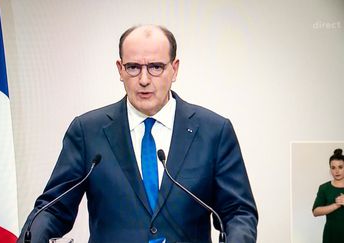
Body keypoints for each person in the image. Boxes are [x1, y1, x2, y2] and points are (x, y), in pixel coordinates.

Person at [18, 25, 258, 243]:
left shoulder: (214, 131)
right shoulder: (87, 131)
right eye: (133, 67)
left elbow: (238, 212)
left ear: (174, 69)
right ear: (120, 69)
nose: (144, 80)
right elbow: (52, 209)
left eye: (155, 67)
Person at [313, 148, 344, 243]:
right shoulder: (324, 188)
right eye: (333, 168)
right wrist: (336, 205)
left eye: (340, 167)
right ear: (330, 169)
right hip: (331, 235)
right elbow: (315, 211)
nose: (337, 171)